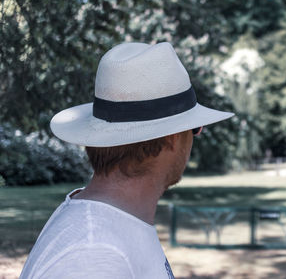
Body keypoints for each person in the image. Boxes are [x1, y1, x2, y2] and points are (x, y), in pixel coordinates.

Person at [20, 42, 234, 278]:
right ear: (173, 137)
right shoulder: (95, 254)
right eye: (194, 127)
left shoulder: (111, 228)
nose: (198, 135)